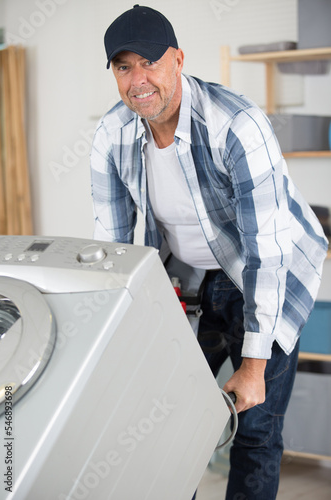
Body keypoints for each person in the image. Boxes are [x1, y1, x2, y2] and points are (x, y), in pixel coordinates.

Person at [90, 5, 328, 499]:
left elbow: (267, 251)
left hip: (266, 274)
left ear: (178, 59)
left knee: (256, 432)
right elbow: (114, 254)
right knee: (168, 425)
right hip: (187, 279)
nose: (139, 80)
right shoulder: (111, 136)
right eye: (123, 67)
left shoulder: (236, 125)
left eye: (150, 62)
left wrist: (254, 366)